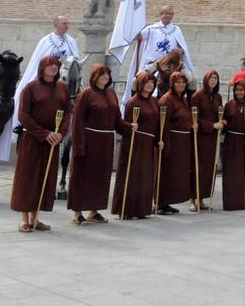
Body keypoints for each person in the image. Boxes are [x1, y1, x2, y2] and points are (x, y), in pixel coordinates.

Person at [10, 55, 70, 233]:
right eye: (49, 65)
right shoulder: (31, 88)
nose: (53, 68)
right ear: (42, 68)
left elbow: (67, 112)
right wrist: (44, 134)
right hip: (33, 139)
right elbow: (23, 115)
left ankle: (35, 218)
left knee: (44, 177)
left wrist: (60, 134)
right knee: (28, 178)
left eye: (56, 65)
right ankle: (24, 219)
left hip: (53, 141)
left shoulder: (62, 88)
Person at [68, 63, 125, 226]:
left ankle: (94, 210)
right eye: (101, 75)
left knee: (100, 177)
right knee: (82, 176)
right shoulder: (86, 94)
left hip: (105, 143)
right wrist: (79, 146)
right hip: (89, 141)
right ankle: (77, 212)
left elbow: (117, 120)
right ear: (94, 77)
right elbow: (77, 122)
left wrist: (129, 129)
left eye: (107, 74)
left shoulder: (111, 94)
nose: (105, 77)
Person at [112, 71, 160, 220]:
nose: (150, 85)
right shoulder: (133, 102)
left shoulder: (153, 101)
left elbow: (156, 123)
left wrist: (158, 139)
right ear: (140, 84)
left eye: (152, 82)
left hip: (148, 144)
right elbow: (127, 125)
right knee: (132, 175)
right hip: (135, 142)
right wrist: (131, 128)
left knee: (145, 176)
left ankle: (142, 208)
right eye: (147, 82)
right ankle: (127, 209)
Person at [15, 15, 81, 109]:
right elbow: (38, 61)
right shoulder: (45, 41)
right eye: (64, 23)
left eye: (68, 23)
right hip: (47, 76)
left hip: (66, 79)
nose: (67, 26)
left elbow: (75, 62)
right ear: (56, 25)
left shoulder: (71, 41)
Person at [131, 7, 195, 100]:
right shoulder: (151, 29)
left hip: (173, 64)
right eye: (165, 13)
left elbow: (182, 48)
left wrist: (180, 51)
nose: (168, 15)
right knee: (135, 81)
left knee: (192, 80)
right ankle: (135, 102)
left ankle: (189, 105)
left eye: (170, 13)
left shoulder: (176, 30)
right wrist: (135, 29)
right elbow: (139, 37)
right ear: (160, 15)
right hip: (154, 62)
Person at [156, 70, 194, 215]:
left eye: (183, 82)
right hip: (171, 140)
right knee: (166, 171)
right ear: (172, 83)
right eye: (178, 82)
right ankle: (160, 202)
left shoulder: (182, 99)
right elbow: (163, 123)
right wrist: (165, 142)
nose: (181, 84)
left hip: (182, 142)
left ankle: (167, 202)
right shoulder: (167, 99)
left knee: (174, 173)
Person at [221, 79, 245, 211]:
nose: (239, 92)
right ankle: (232, 202)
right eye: (237, 90)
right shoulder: (229, 105)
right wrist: (224, 124)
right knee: (232, 171)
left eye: (241, 90)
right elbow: (225, 120)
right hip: (231, 142)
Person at [190, 70, 223, 212]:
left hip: (212, 137)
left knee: (208, 169)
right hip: (200, 135)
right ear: (206, 79)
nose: (213, 80)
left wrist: (222, 122)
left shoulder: (218, 97)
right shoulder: (197, 96)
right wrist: (211, 125)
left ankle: (202, 198)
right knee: (198, 166)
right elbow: (194, 118)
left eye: (215, 78)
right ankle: (192, 199)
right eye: (211, 78)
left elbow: (220, 115)